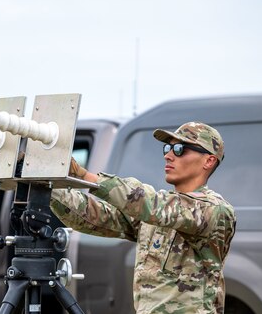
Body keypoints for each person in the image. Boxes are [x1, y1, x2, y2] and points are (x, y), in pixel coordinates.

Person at [50, 122, 236, 314]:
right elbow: (95, 217)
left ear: (209, 161)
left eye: (180, 149)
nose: (168, 155)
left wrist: (85, 176)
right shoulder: (159, 213)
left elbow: (149, 203)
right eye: (168, 147)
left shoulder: (214, 210)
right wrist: (47, 187)